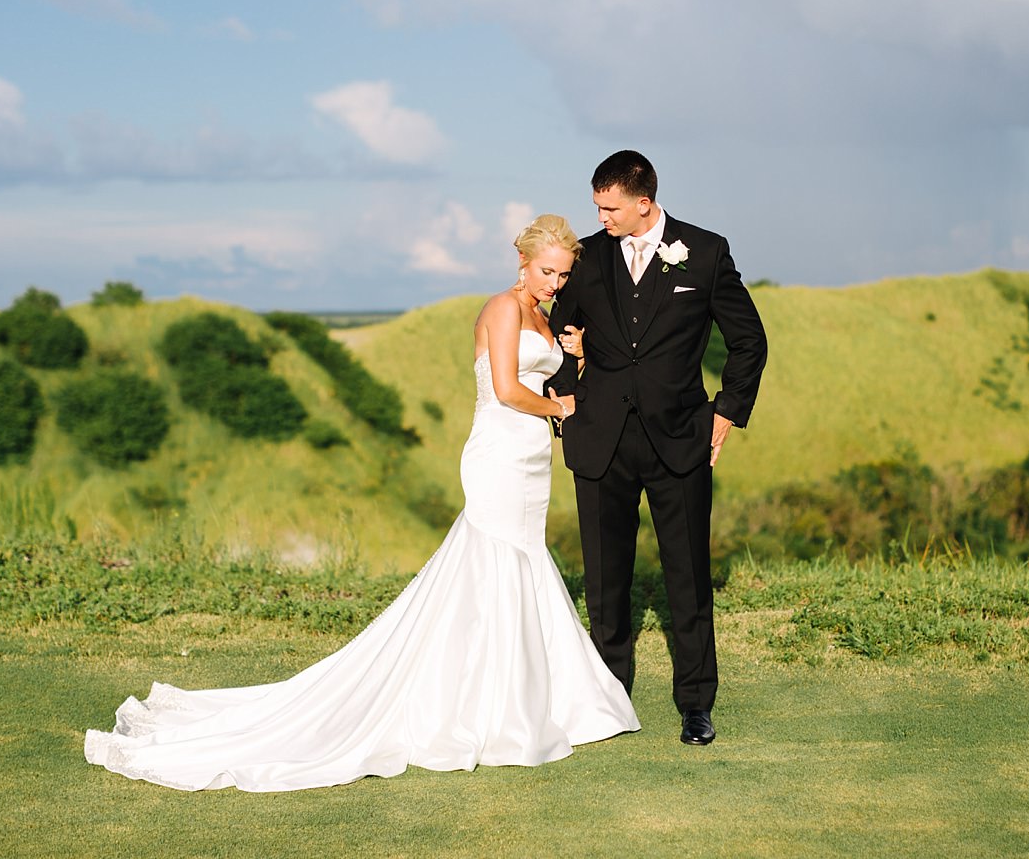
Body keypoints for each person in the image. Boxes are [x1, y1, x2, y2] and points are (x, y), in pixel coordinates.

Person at [84, 217, 637, 792]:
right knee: (490, 562)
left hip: (530, 462)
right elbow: (504, 388)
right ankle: (489, 706)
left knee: (520, 561)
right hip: (498, 453)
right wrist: (562, 411)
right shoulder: (501, 308)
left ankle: (524, 696)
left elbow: (551, 382)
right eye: (546, 270)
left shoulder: (546, 318)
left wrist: (575, 354)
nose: (554, 281)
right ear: (521, 260)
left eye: (563, 273)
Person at [548, 150, 768, 747]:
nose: (601, 217)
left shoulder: (707, 251)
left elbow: (749, 341)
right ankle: (607, 696)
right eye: (597, 206)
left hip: (680, 440)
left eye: (610, 207)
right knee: (604, 577)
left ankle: (696, 704)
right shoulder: (587, 257)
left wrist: (725, 412)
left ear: (643, 202)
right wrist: (564, 402)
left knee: (688, 576)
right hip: (600, 440)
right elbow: (552, 338)